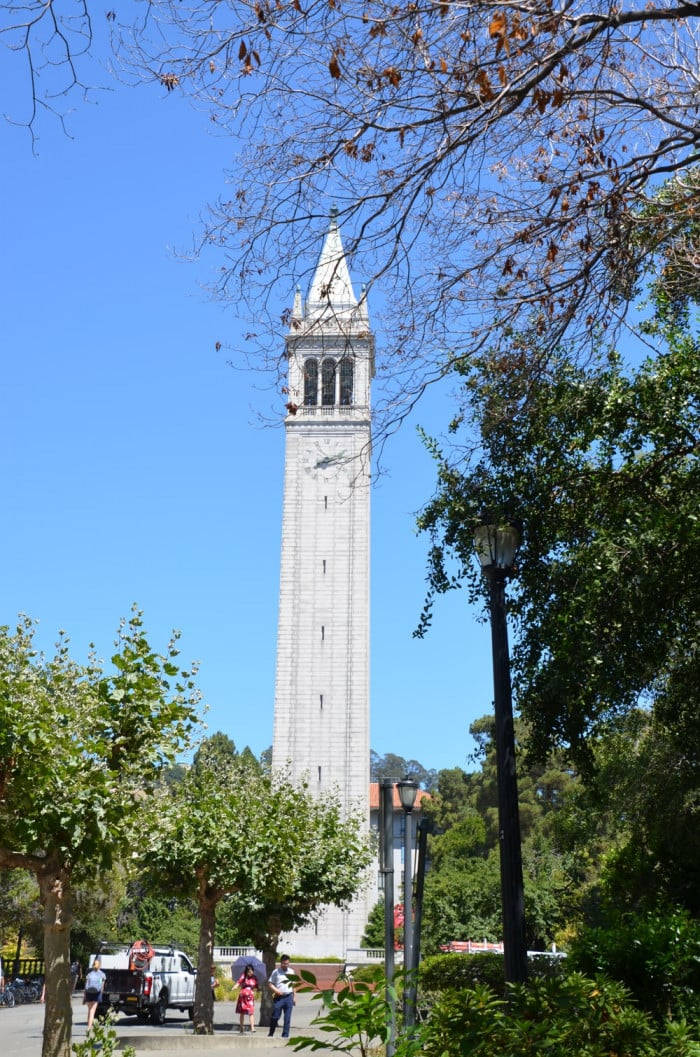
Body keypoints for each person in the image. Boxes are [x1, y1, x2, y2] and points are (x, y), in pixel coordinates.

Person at [267, 954, 295, 1038]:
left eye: (287, 963)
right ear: (281, 963)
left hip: (289, 997)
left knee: (287, 1018)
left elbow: (293, 985)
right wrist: (276, 990)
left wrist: (294, 997)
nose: (286, 965)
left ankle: (285, 1036)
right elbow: (270, 984)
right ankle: (271, 1033)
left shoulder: (291, 971)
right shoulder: (276, 972)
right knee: (275, 1016)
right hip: (279, 997)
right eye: (284, 963)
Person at [235, 963, 259, 1033]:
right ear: (246, 971)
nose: (250, 973)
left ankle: (252, 1028)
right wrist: (235, 986)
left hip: (250, 997)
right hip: (243, 997)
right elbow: (238, 982)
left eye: (252, 971)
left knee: (251, 1012)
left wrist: (257, 990)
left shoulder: (255, 977)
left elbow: (257, 987)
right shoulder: (243, 976)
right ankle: (241, 1028)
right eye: (249, 971)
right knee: (242, 1013)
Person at [84, 958, 106, 1031]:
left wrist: (84, 997)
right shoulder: (102, 974)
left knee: (89, 1010)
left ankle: (88, 1026)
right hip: (96, 993)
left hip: (88, 993)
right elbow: (102, 986)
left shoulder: (89, 974)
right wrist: (101, 994)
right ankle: (89, 1028)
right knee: (92, 1011)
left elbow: (86, 985)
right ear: (100, 966)